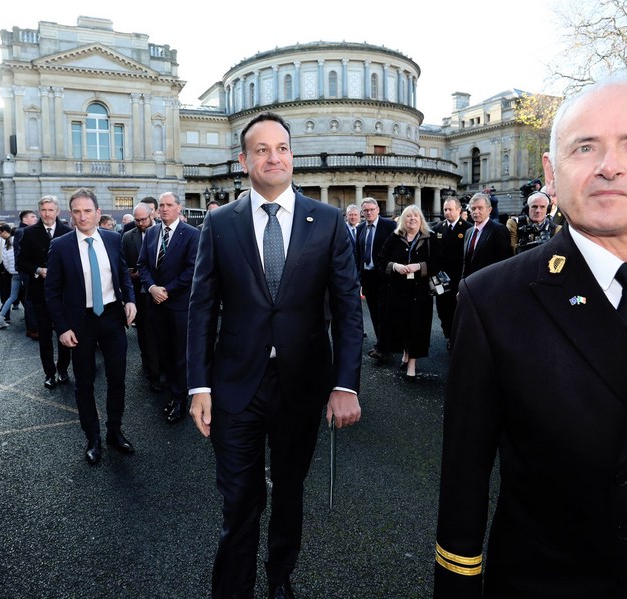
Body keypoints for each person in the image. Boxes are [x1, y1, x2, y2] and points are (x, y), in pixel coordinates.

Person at [434, 74, 627, 598]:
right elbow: (464, 479)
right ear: (552, 172)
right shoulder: (494, 298)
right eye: (584, 147)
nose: (608, 165)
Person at [187, 112, 363, 599]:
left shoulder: (327, 221)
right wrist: (198, 385)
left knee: (289, 491)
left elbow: (348, 309)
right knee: (239, 498)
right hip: (234, 385)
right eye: (261, 149)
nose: (274, 157)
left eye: (282, 148)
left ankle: (280, 576)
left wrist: (345, 384)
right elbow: (201, 308)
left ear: (292, 156)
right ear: (244, 160)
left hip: (301, 384)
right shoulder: (220, 223)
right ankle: (233, 588)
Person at [44, 188, 137, 465]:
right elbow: (52, 291)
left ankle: (114, 431)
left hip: (112, 317)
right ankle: (92, 438)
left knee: (117, 379)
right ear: (70, 214)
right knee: (84, 383)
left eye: (87, 211)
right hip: (80, 322)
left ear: (98, 213)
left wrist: (130, 300)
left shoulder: (113, 239)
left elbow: (123, 274)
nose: (82, 216)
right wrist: (62, 327)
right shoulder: (61, 245)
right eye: (77, 211)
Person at [137, 192, 199, 424]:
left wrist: (166, 290)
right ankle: (173, 393)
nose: (164, 209)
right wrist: (152, 287)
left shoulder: (191, 234)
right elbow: (143, 264)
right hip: (155, 304)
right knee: (163, 352)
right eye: (161, 205)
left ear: (179, 208)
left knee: (180, 354)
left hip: (179, 305)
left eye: (169, 205)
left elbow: (192, 269)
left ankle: (180, 399)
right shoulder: (152, 232)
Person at [377, 205, 441, 381]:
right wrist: (395, 266)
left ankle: (411, 365)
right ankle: (405, 352)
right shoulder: (395, 237)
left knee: (417, 327)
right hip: (398, 291)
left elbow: (437, 263)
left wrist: (419, 266)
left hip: (420, 292)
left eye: (415, 216)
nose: (412, 219)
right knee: (402, 325)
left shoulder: (430, 237)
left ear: (421, 219)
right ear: (403, 220)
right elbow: (381, 259)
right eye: (408, 216)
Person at [17, 195, 73, 389]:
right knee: (45, 336)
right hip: (39, 293)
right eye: (44, 210)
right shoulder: (29, 233)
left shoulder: (68, 232)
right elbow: (21, 262)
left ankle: (63, 369)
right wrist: (38, 270)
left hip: (64, 294)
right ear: (39, 211)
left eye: (51, 210)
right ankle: (49, 373)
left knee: (64, 333)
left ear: (58, 211)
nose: (47, 214)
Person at [120, 203, 161, 391]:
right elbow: (123, 264)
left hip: (161, 293)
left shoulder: (162, 232)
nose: (140, 223)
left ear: (152, 215)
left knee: (161, 332)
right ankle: (150, 368)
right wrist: (131, 273)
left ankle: (162, 366)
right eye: (137, 220)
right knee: (144, 333)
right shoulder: (128, 236)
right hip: (139, 293)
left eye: (143, 219)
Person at [355, 197, 396, 361]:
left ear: (378, 210)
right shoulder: (360, 228)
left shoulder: (389, 225)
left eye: (372, 209)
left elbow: (395, 250)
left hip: (384, 276)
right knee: (373, 312)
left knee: (384, 313)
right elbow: (358, 253)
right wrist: (358, 275)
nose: (369, 213)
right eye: (365, 210)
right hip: (367, 276)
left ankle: (383, 347)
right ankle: (382, 345)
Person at [432, 197, 471, 348]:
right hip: (441, 278)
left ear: (459, 210)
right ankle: (448, 334)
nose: (447, 212)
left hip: (458, 277)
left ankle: (456, 337)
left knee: (457, 308)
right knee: (442, 309)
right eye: (445, 209)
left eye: (450, 209)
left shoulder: (467, 228)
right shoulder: (438, 228)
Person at [460, 192, 512, 279]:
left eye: (480, 208)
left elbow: (504, 263)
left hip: (490, 283)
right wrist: (463, 282)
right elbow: (466, 262)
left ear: (489, 210)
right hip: (470, 283)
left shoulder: (498, 230)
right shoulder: (468, 232)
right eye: (473, 208)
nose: (476, 211)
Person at [0, 223, 19, 329]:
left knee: (12, 296)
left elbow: (5, 263)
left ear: (5, 232)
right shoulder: (17, 242)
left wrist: (11, 271)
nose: (0, 235)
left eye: (1, 233)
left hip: (13, 274)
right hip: (21, 272)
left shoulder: (6, 245)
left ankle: (1, 317)